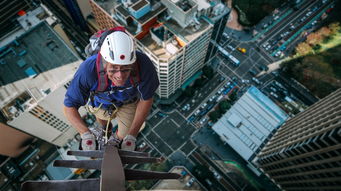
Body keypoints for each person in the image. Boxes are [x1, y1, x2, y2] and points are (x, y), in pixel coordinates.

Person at [63, 30, 159, 151]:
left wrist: (132, 136)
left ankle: (116, 140)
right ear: (104, 62)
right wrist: (85, 134)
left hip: (128, 102)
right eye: (114, 68)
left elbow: (147, 99)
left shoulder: (143, 65)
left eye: (125, 69)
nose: (120, 75)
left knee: (125, 134)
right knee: (102, 118)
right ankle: (104, 130)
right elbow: (69, 106)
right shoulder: (88, 70)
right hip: (101, 102)